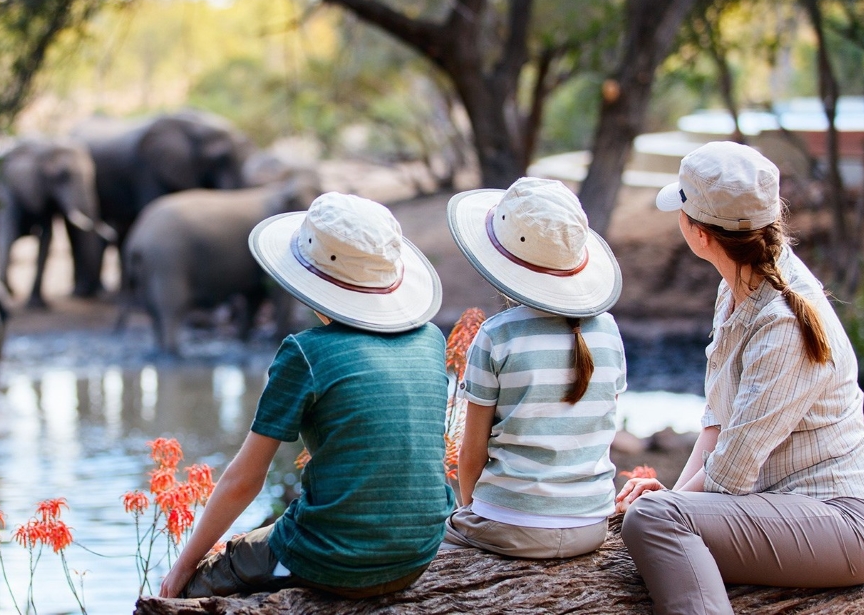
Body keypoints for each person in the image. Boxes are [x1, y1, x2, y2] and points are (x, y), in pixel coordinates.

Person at [616, 141, 864, 615]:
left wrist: (671, 509)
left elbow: (730, 474)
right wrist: (678, 499)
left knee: (650, 521)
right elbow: (718, 422)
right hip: (793, 510)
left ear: (700, 233)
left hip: (848, 524)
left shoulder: (783, 319)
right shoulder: (737, 289)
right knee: (654, 515)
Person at [158, 191, 454, 599]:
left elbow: (245, 480)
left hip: (333, 562)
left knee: (197, 584)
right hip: (417, 554)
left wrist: (182, 567)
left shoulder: (307, 351)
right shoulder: (431, 340)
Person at [441, 177, 627, 558]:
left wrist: (474, 511)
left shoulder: (496, 335)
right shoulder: (608, 328)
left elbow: (471, 453)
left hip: (510, 525)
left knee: (431, 539)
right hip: (592, 524)